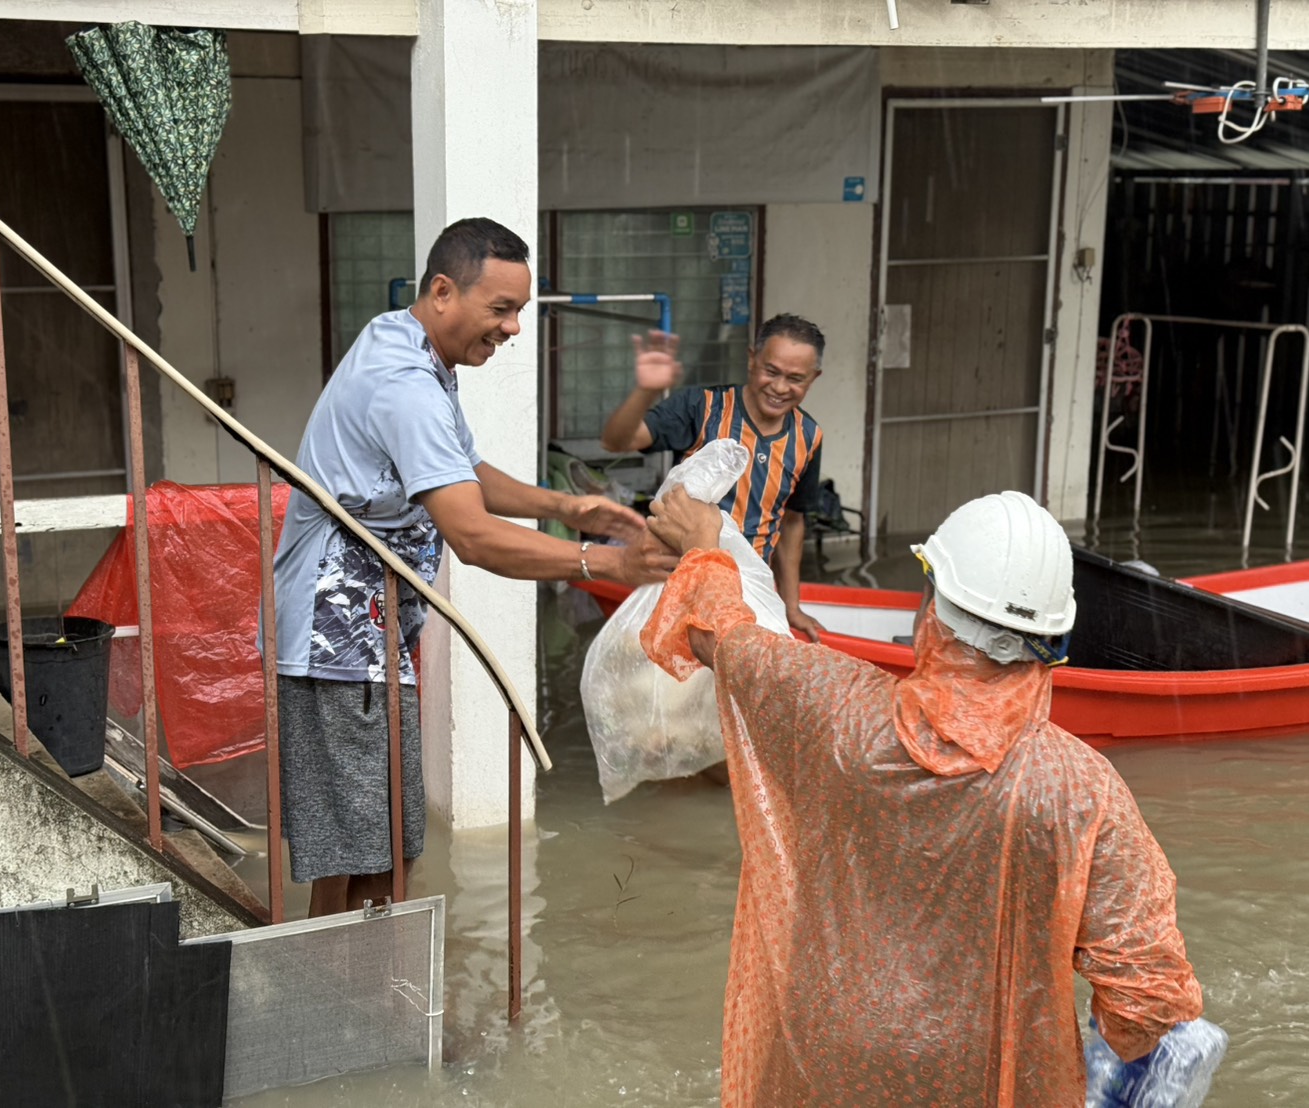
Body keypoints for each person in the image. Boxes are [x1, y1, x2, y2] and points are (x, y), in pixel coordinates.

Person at [641, 487, 1204, 1106]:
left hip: (829, 1053)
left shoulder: (835, 710)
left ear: (931, 613)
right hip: (984, 1073)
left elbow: (721, 637)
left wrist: (704, 545)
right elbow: (1145, 1001)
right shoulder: (1080, 790)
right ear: (1050, 640)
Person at [268, 217, 677, 918]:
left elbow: (463, 471)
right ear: (442, 292)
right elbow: (473, 536)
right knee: (370, 855)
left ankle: (351, 974)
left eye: (519, 310)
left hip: (364, 638)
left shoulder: (408, 345)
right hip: (338, 643)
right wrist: (610, 562)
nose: (512, 328)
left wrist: (564, 505)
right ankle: (351, 978)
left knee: (376, 848)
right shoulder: (406, 383)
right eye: (501, 309)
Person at [600, 315, 826, 638]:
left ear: (813, 378)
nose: (779, 387)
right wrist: (645, 391)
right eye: (771, 371)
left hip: (750, 594)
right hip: (680, 584)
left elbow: (792, 523)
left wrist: (791, 607)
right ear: (752, 359)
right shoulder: (703, 408)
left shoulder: (809, 436)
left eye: (795, 379)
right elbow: (616, 441)